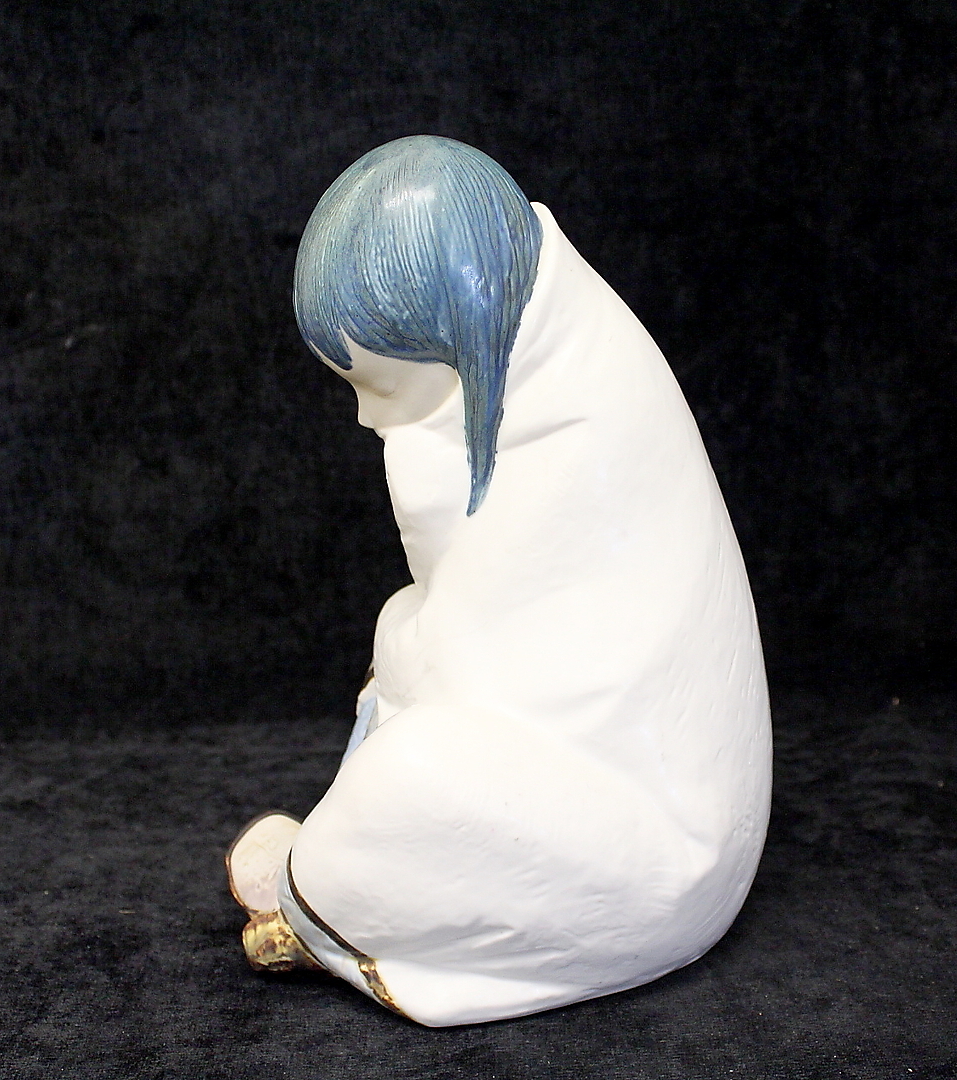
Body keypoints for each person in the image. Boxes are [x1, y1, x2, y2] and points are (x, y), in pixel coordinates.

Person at [227, 135, 772, 1026]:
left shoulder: (574, 441)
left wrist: (409, 639)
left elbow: (471, 661)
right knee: (401, 655)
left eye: (385, 388)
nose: (366, 417)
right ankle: (335, 889)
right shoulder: (552, 366)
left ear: (464, 337)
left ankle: (320, 903)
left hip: (658, 855)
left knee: (414, 766)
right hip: (581, 768)